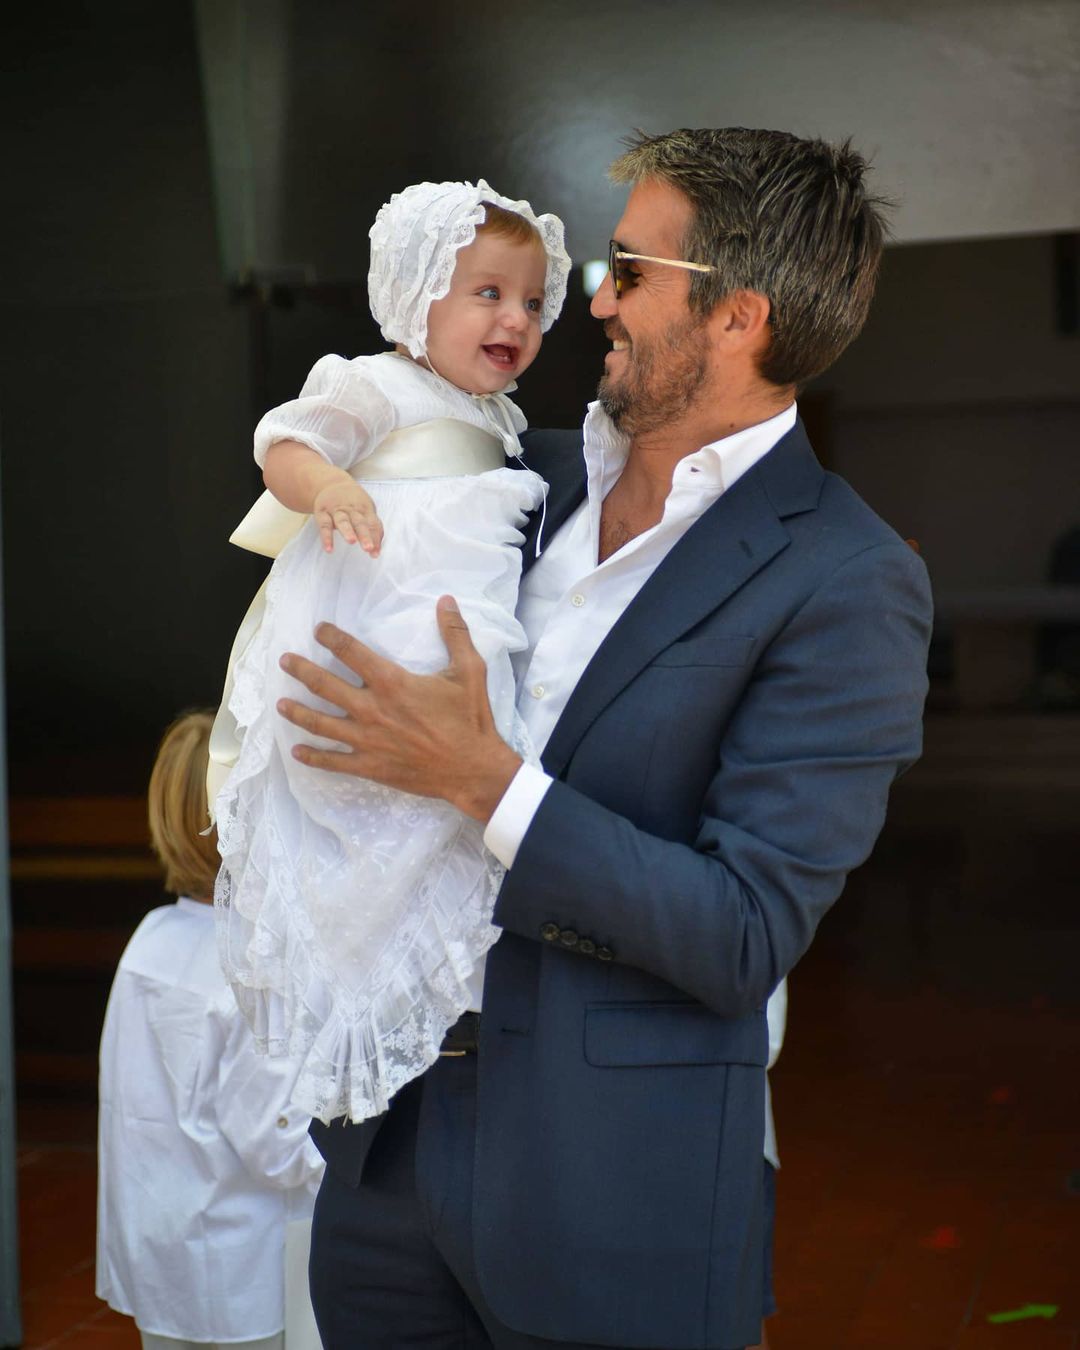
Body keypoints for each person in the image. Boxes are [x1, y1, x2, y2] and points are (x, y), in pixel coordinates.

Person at [277, 128, 934, 1350]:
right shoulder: (501, 474)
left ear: (737, 316)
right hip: (385, 1158)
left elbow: (743, 931)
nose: (593, 300)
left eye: (628, 270)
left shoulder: (847, 577)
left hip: (612, 1193)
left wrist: (489, 786)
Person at [212, 181, 571, 1125]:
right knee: (364, 779)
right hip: (376, 604)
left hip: (461, 625)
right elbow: (285, 445)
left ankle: (425, 967)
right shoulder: (375, 382)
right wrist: (329, 486)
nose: (517, 318)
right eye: (488, 293)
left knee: (458, 797)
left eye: (533, 301)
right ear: (416, 294)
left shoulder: (501, 422)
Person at [96, 711, 325, 1350]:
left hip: (156, 1248)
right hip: (237, 1268)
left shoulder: (151, 937)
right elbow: (276, 1144)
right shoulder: (252, 963)